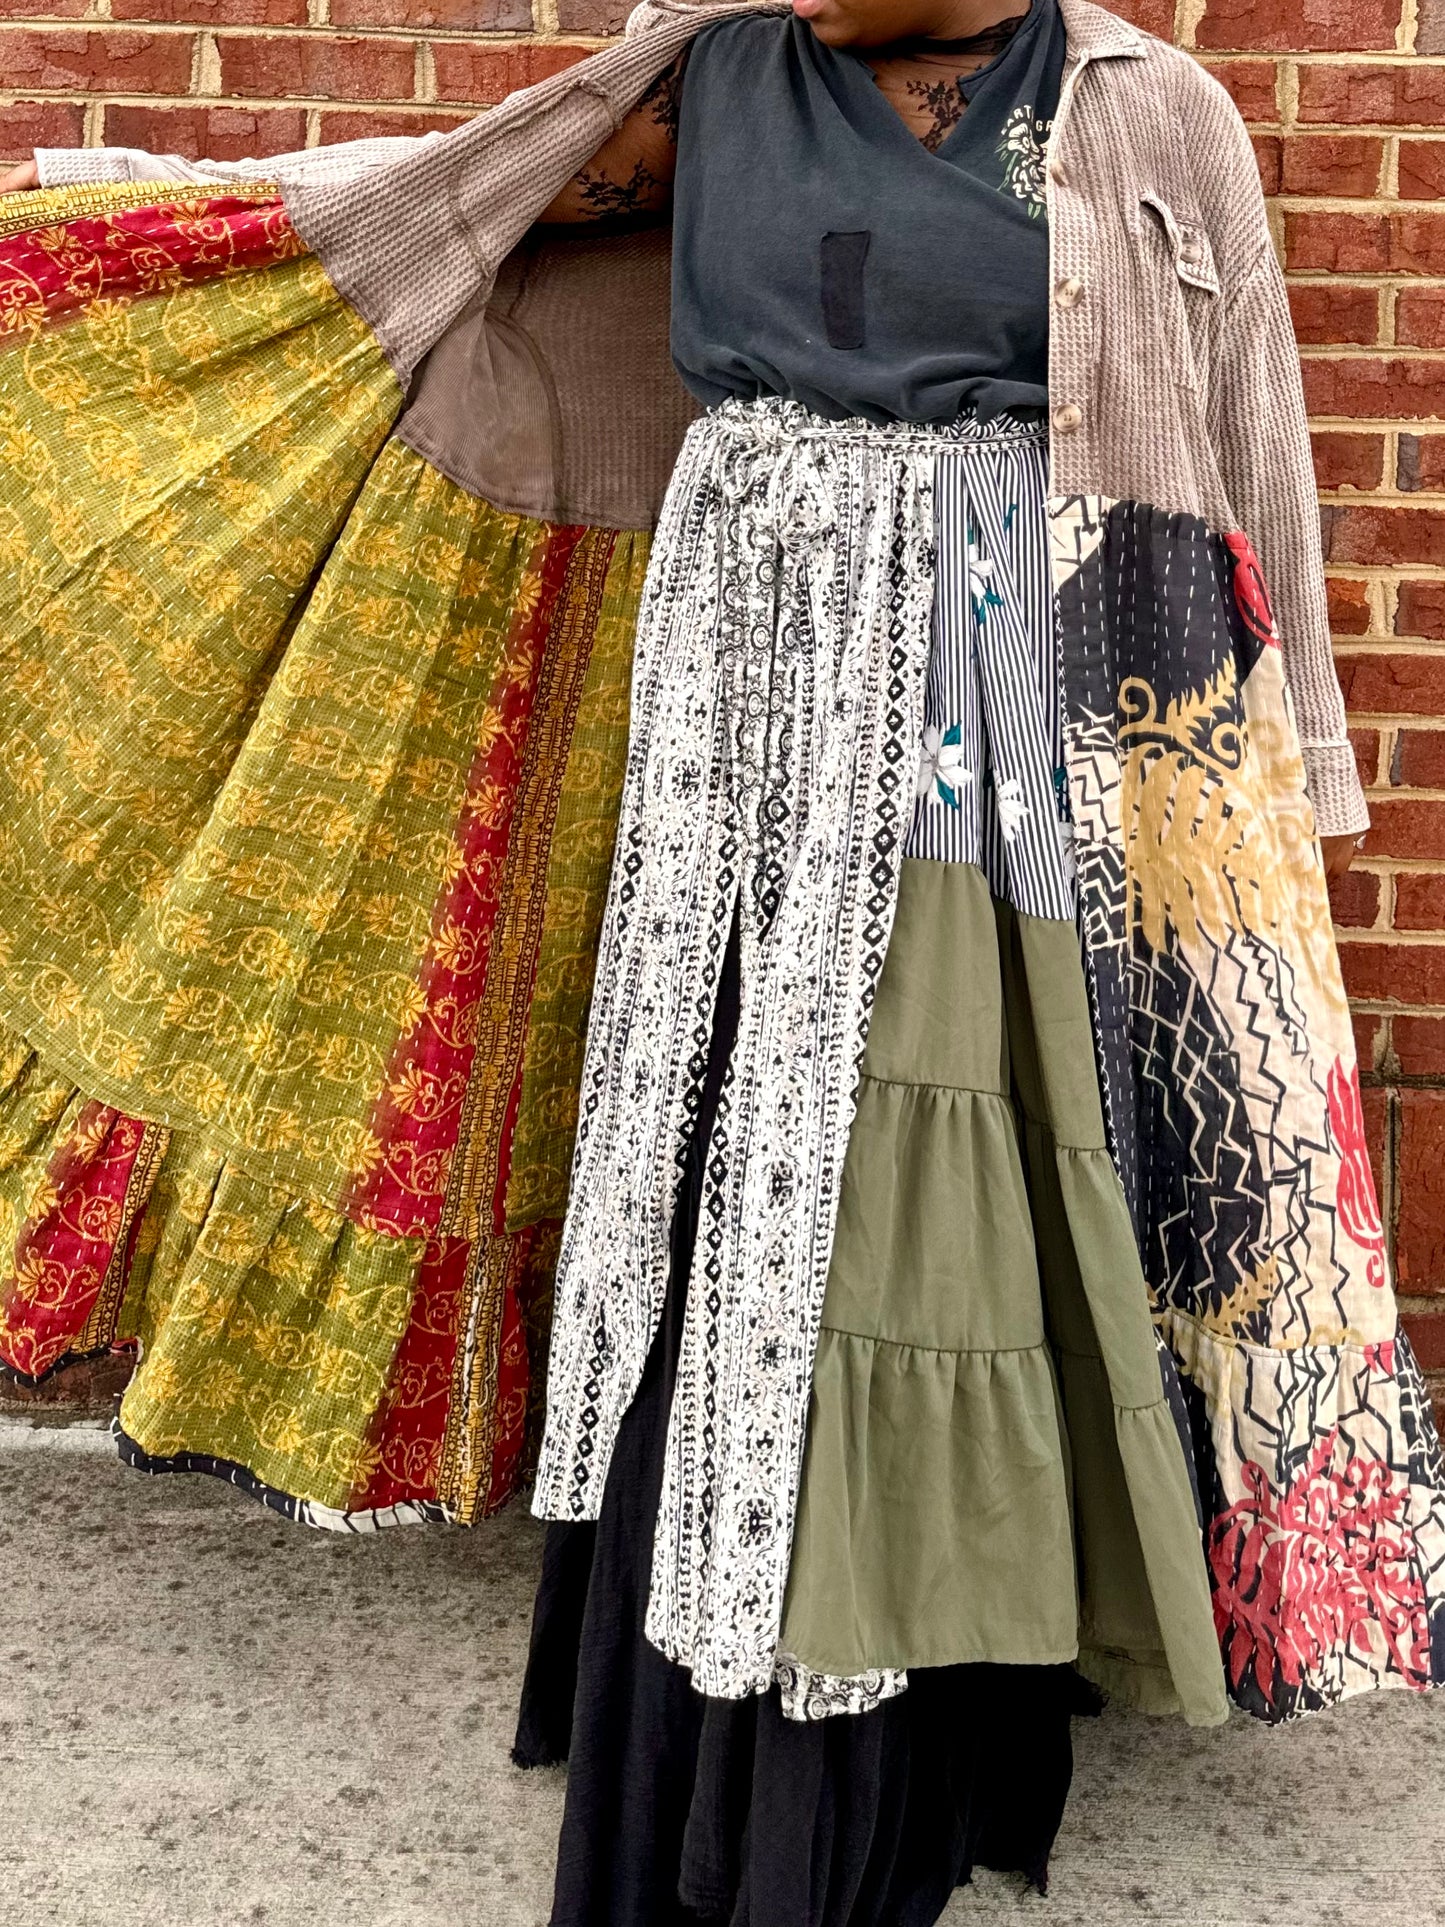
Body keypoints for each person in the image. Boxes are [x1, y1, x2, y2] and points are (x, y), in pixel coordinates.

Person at [4, 2, 1442, 1921]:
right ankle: (703, 1688)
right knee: (731, 1156)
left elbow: (1245, 440)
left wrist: (1278, 772)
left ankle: (895, 1712)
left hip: (1009, 709)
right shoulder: (707, 76)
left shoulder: (1139, 112)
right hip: (738, 706)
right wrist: (135, 213)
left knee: (928, 1167)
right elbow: (442, 205)